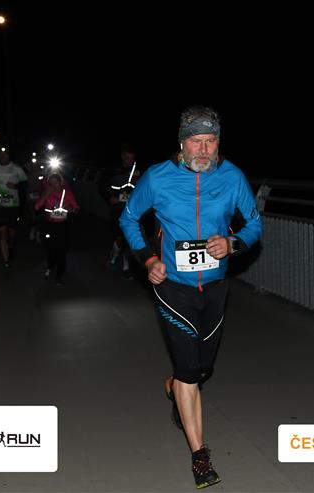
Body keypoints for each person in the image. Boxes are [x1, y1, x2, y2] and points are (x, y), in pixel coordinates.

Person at [119, 106, 262, 489]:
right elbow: (128, 218)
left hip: (215, 288)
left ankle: (176, 386)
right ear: (181, 142)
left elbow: (254, 224)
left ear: (219, 142)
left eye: (210, 141)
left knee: (201, 370)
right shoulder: (158, 177)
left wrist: (232, 244)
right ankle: (200, 456)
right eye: (196, 141)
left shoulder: (232, 176)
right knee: (188, 371)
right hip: (172, 287)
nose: (203, 149)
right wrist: (148, 259)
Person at [101, 146, 140, 279]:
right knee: (119, 239)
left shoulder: (139, 170)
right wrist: (109, 197)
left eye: (132, 158)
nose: (129, 161)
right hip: (117, 209)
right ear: (122, 157)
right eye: (127, 158)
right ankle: (114, 255)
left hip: (133, 211)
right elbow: (101, 185)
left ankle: (126, 268)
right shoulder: (113, 169)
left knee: (129, 240)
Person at [35, 172, 79, 284]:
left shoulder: (67, 193)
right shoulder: (47, 193)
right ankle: (50, 266)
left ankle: (59, 274)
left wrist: (72, 209)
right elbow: (37, 207)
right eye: (51, 184)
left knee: (62, 250)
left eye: (56, 183)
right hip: (49, 225)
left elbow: (76, 209)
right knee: (50, 248)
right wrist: (46, 195)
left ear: (61, 182)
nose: (54, 186)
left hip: (62, 225)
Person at [0, 150, 27, 268]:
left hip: (13, 205)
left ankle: (11, 246)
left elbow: (25, 184)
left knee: (12, 232)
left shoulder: (17, 168)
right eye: (1, 154)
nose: (3, 156)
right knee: (2, 232)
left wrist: (15, 186)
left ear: (9, 155)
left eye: (5, 154)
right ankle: (6, 261)